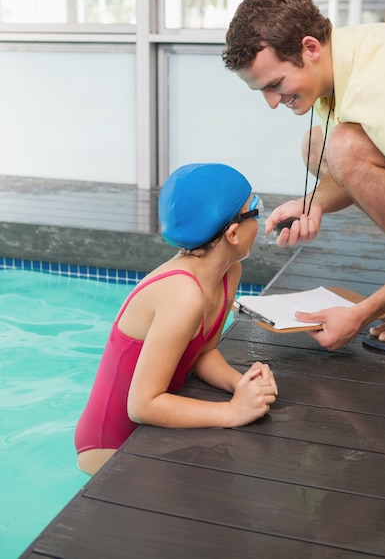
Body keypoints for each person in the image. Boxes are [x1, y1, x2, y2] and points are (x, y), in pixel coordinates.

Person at [222, 0, 385, 352]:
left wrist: (362, 312)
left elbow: (366, 139)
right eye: (261, 90)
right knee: (318, 146)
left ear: (309, 48)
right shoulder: (339, 57)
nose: (272, 102)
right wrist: (314, 202)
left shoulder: (383, 92)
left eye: (276, 84)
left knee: (340, 146)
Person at [74, 162, 278, 475]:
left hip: (154, 428)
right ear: (233, 233)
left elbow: (202, 353)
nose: (261, 218)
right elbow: (141, 405)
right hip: (110, 446)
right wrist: (232, 412)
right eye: (256, 208)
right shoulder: (182, 294)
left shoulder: (228, 272)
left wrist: (242, 385)